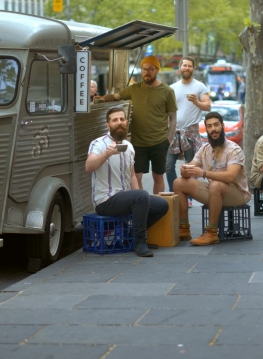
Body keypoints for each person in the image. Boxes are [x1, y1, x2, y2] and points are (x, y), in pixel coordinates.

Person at [85, 107, 169, 257]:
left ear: (127, 122)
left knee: (162, 205)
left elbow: (132, 176)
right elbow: (89, 166)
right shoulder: (99, 144)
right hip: (106, 200)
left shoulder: (129, 146)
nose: (119, 123)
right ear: (108, 125)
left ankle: (130, 236)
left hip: (125, 198)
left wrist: (137, 194)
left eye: (122, 119)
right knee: (141, 196)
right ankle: (140, 242)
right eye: (114, 120)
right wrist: (107, 154)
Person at [94, 55, 177, 195]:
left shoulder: (167, 91)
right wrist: (102, 99)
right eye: (144, 69)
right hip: (138, 142)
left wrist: (169, 139)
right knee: (136, 176)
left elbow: (173, 117)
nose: (147, 72)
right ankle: (143, 204)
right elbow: (117, 96)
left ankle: (157, 207)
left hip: (159, 141)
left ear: (157, 70)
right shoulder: (134, 88)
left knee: (158, 176)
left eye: (151, 69)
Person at [173, 111, 252, 246]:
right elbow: (192, 166)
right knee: (178, 183)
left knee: (215, 185)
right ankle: (184, 229)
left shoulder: (234, 149)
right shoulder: (205, 149)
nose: (213, 129)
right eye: (209, 126)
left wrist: (203, 173)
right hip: (215, 191)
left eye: (216, 125)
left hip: (237, 193)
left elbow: (230, 176)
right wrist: (185, 170)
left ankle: (212, 233)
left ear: (222, 126)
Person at [166, 56, 211, 191]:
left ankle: (189, 193)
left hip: (190, 132)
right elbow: (168, 112)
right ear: (180, 67)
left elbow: (208, 106)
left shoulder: (199, 86)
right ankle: (174, 191)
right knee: (168, 166)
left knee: (190, 166)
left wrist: (196, 102)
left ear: (193, 68)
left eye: (189, 66)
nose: (186, 68)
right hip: (173, 132)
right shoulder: (172, 88)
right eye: (184, 65)